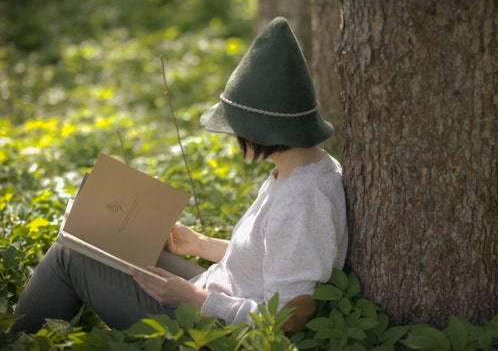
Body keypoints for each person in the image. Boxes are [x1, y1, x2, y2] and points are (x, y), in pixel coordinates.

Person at [10, 17, 348, 334]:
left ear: (265, 128)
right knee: (97, 239)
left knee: (72, 255)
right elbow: (271, 258)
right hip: (216, 293)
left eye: (235, 127)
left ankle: (15, 339)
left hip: (216, 329)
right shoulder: (296, 169)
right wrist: (199, 244)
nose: (230, 136)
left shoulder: (304, 201)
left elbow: (290, 316)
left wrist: (193, 299)